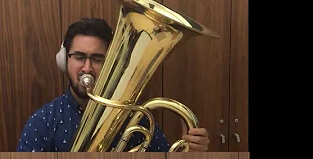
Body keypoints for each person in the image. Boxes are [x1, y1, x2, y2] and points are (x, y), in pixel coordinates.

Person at [16, 17, 211, 152]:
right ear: (63, 61)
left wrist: (191, 152)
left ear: (111, 64)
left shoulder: (136, 119)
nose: (87, 68)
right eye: (79, 57)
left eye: (98, 58)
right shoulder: (42, 122)